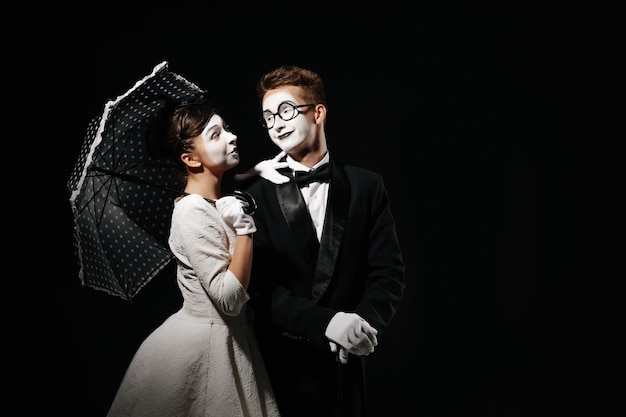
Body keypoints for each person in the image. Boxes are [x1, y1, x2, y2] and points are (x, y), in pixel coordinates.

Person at [236, 65, 406, 417]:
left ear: (318, 112)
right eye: (268, 117)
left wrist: (359, 326)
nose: (277, 124)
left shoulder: (366, 185)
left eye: (285, 111)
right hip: (278, 365)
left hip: (345, 368)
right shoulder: (253, 194)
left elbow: (388, 274)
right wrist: (327, 324)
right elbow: (259, 288)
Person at [106, 102, 281, 417]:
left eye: (227, 128)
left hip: (233, 340)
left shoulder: (215, 204)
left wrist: (257, 178)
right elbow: (229, 299)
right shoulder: (191, 211)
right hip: (204, 348)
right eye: (216, 135)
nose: (232, 137)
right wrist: (244, 231)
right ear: (190, 158)